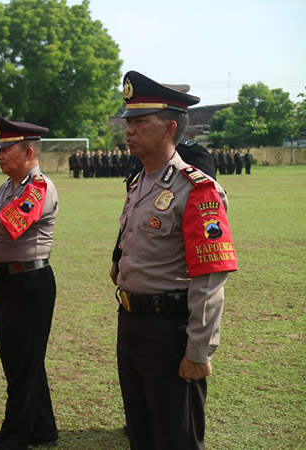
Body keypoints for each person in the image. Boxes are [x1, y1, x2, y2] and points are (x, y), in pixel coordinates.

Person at [110, 71, 237, 450]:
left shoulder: (197, 188)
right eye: (127, 121)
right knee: (141, 435)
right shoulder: (140, 182)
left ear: (169, 128)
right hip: (132, 323)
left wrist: (198, 350)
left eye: (139, 122)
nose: (128, 130)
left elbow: (211, 277)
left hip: (171, 331)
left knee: (176, 439)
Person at [0, 117, 60, 450]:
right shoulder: (7, 188)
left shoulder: (38, 188)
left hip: (29, 282)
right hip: (7, 283)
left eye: (6, 149)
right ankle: (42, 429)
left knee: (23, 363)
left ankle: (13, 439)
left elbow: (9, 224)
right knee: (21, 360)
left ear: (28, 151)